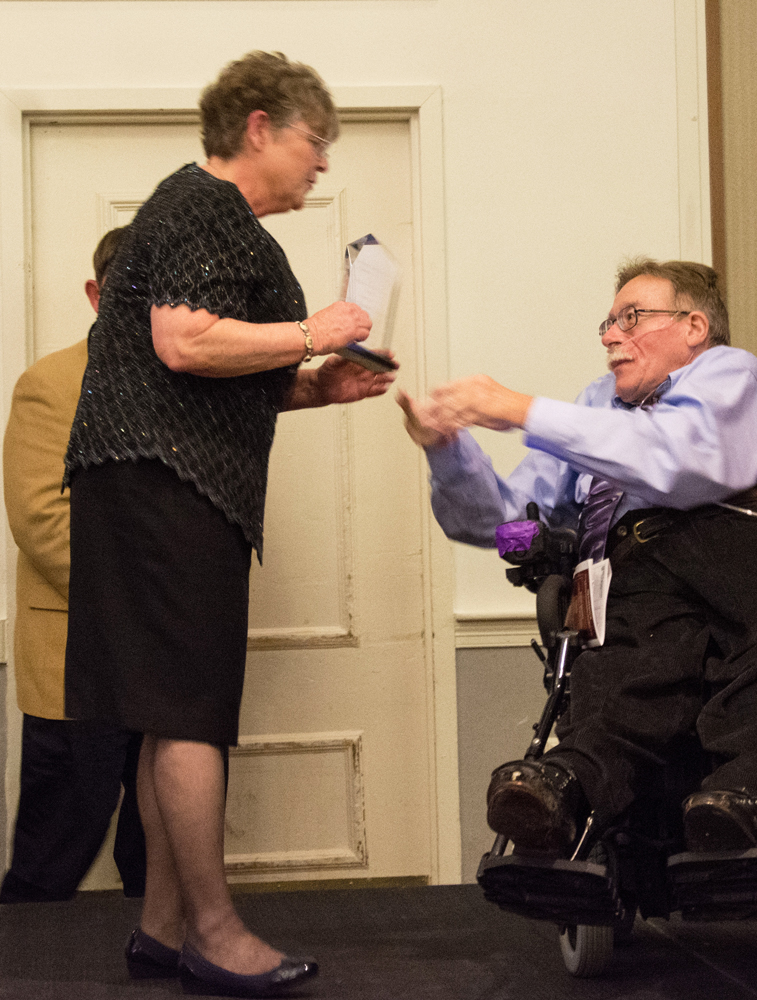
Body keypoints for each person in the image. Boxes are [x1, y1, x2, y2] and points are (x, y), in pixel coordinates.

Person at [62, 52, 395, 996]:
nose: (321, 163)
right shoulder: (201, 206)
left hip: (163, 480)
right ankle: (213, 932)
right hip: (164, 489)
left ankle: (163, 929)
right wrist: (312, 334)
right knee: (189, 715)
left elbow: (204, 373)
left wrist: (312, 388)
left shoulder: (206, 216)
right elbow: (184, 339)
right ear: (259, 127)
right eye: (313, 141)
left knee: (178, 712)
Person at [399, 258, 757, 858]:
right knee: (625, 674)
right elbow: (502, 523)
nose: (611, 335)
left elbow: (681, 461)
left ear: (693, 326)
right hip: (632, 566)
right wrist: (447, 452)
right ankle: (567, 784)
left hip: (745, 545)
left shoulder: (730, 373)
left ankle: (749, 794)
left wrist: (521, 409)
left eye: (631, 318)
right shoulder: (595, 406)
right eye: (608, 322)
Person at [1, 227, 146, 904]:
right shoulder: (47, 385)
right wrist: (148, 603)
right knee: (49, 864)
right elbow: (40, 519)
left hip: (174, 668)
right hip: (74, 662)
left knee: (162, 862)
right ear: (97, 295)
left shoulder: (201, 390)